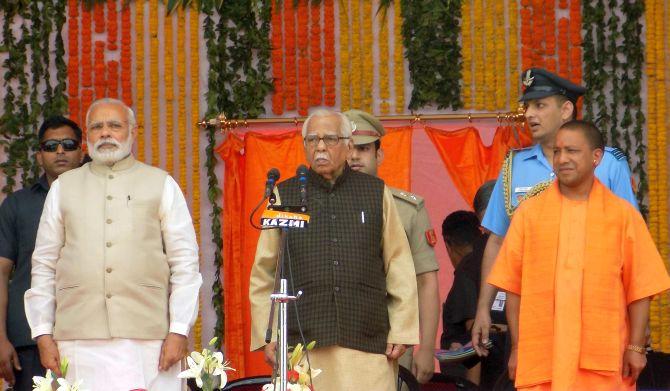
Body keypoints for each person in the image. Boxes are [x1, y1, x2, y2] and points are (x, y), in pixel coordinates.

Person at [24, 98, 202, 390]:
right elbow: (44, 264)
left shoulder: (161, 183)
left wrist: (179, 330)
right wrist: (43, 333)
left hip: (149, 340)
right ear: (87, 137)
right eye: (97, 127)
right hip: (78, 339)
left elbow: (185, 263)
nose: (105, 133)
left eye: (114, 126)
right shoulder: (63, 188)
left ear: (132, 132)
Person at [487, 120, 670, 390]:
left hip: (602, 362)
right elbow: (513, 288)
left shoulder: (622, 216)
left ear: (596, 157)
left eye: (572, 151)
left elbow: (640, 289)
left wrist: (636, 347)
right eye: (557, 152)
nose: (562, 159)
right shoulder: (529, 214)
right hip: (541, 359)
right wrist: (516, 348)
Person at [472, 68, 639, 355]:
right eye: (527, 107)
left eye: (539, 105)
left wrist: (637, 328)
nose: (529, 115)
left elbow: (632, 245)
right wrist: (483, 308)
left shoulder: (608, 163)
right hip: (534, 315)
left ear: (565, 110)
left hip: (600, 312)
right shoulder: (515, 166)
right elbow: (498, 242)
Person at [249, 109, 419, 390]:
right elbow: (264, 272)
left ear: (349, 145)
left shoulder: (374, 192)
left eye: (329, 139)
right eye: (312, 139)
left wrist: (402, 328)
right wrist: (269, 334)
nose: (320, 147)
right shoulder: (284, 195)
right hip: (302, 342)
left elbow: (398, 263)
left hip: (366, 341)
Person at [344, 109, 440, 384]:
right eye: (348, 148)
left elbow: (427, 281)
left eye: (362, 149)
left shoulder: (407, 210)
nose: (353, 157)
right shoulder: (317, 208)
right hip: (334, 344)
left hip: (391, 345)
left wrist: (427, 346)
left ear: (379, 155)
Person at [0, 116, 83, 390]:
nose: (60, 151)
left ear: (82, 152)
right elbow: (1, 274)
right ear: (39, 156)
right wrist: (1, 339)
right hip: (30, 338)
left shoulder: (104, 199)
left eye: (68, 144)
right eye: (51, 146)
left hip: (90, 333)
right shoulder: (17, 204)